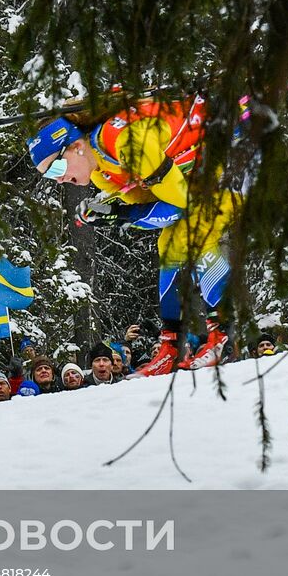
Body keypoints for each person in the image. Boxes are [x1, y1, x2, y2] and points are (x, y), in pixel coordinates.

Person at [29, 97, 235, 376]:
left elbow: (179, 206)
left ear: (76, 147)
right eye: (49, 177)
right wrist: (112, 213)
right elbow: (153, 207)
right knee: (170, 243)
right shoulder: (102, 172)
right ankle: (171, 346)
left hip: (231, 145)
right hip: (201, 169)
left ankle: (223, 333)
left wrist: (121, 214)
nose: (60, 180)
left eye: (56, 169)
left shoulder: (125, 142)